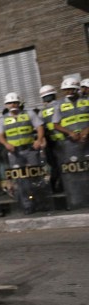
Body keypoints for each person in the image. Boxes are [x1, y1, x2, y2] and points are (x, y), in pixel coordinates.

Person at [0, 92, 45, 214]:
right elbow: (0, 135)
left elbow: (40, 127)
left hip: (30, 150)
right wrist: (6, 144)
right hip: (15, 153)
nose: (13, 104)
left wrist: (39, 140)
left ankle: (40, 202)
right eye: (10, 103)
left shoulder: (29, 114)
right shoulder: (3, 119)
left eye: (15, 102)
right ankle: (27, 205)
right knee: (20, 179)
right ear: (6, 105)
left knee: (36, 176)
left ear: (19, 103)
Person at [52, 78, 89, 210]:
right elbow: (55, 124)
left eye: (71, 89)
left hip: (87, 140)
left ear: (77, 89)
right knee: (72, 173)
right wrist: (70, 133)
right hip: (70, 142)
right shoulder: (59, 104)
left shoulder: (86, 101)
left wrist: (86, 131)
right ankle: (76, 201)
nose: (69, 91)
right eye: (66, 89)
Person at [38, 85, 64, 193]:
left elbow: (41, 128)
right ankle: (61, 186)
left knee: (54, 165)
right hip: (64, 139)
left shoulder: (42, 111)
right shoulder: (61, 105)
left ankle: (54, 187)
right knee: (64, 165)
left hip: (51, 142)